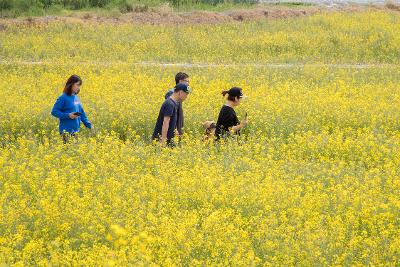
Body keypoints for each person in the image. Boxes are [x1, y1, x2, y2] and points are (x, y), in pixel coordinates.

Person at [51, 75, 93, 143]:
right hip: (66, 132)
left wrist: (89, 125)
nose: (79, 88)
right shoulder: (63, 97)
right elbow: (54, 111)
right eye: (77, 85)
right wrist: (68, 115)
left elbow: (81, 113)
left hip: (76, 131)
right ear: (71, 84)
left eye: (79, 85)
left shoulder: (75, 97)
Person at [165, 72, 189, 137]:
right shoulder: (171, 94)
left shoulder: (180, 94)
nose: (188, 84)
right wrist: (175, 128)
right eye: (187, 81)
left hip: (178, 125)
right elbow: (170, 114)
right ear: (180, 81)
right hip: (173, 128)